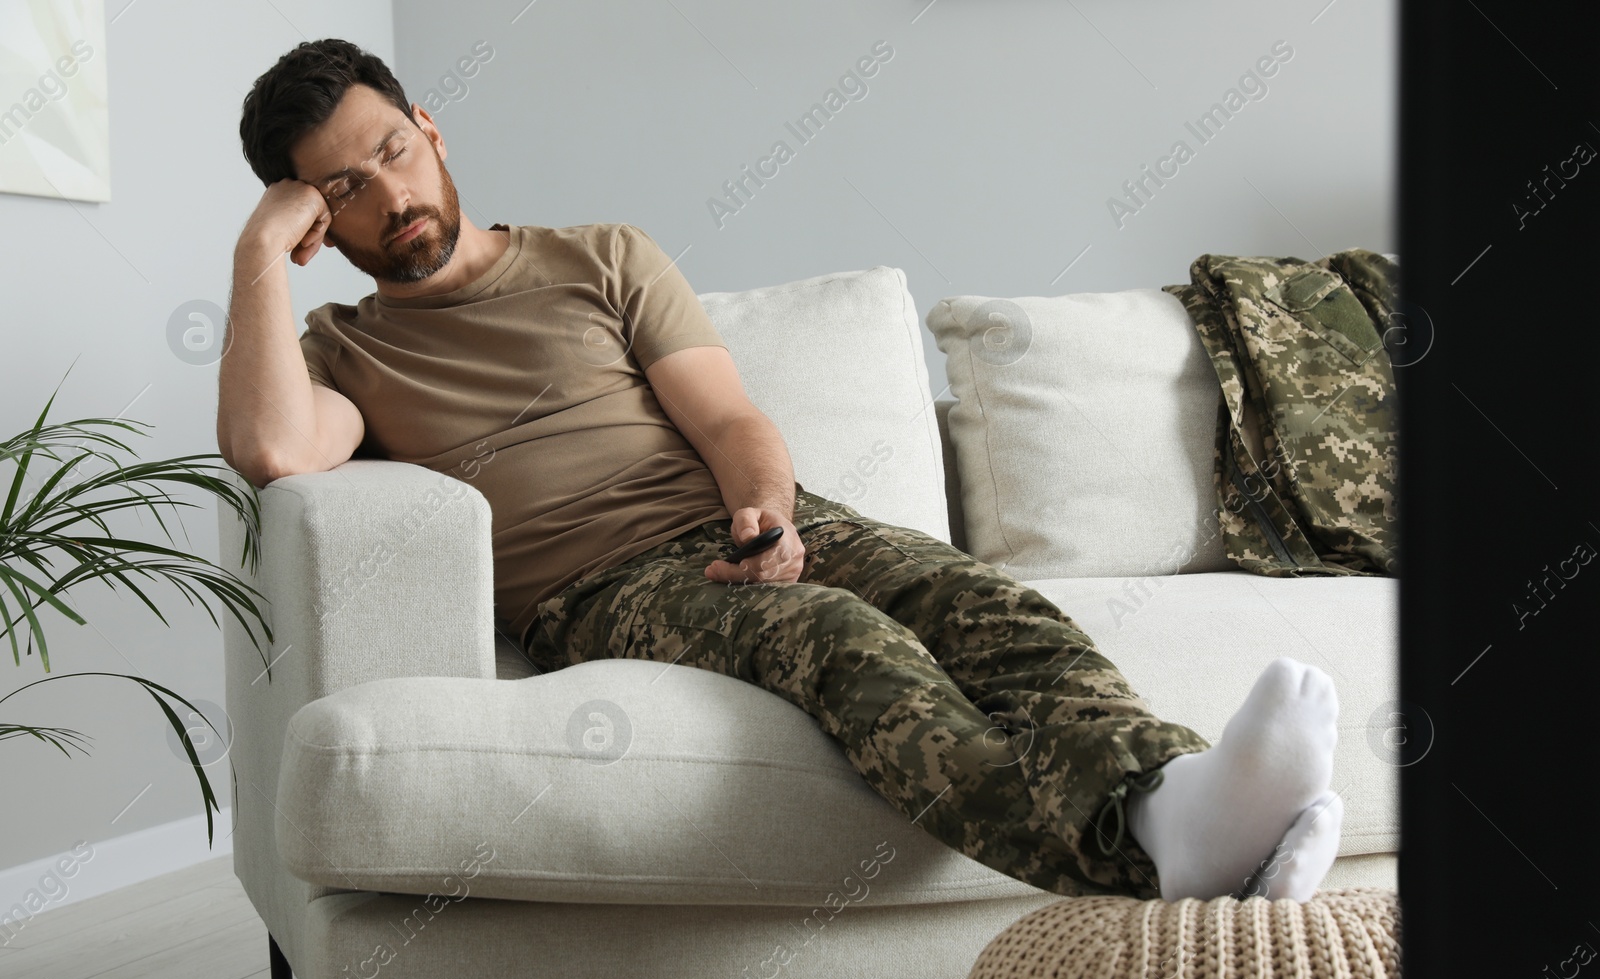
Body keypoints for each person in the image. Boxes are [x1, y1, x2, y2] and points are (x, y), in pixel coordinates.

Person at [219, 39, 1344, 904]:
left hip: (742, 516)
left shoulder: (600, 255)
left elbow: (726, 414)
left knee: (982, 602)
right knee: (844, 643)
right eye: (342, 189)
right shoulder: (343, 350)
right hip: (597, 587)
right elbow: (272, 449)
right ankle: (1150, 848)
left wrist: (763, 508)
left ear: (430, 128)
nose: (390, 195)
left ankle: (1170, 800)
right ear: (313, 216)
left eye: (392, 153)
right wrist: (257, 255)